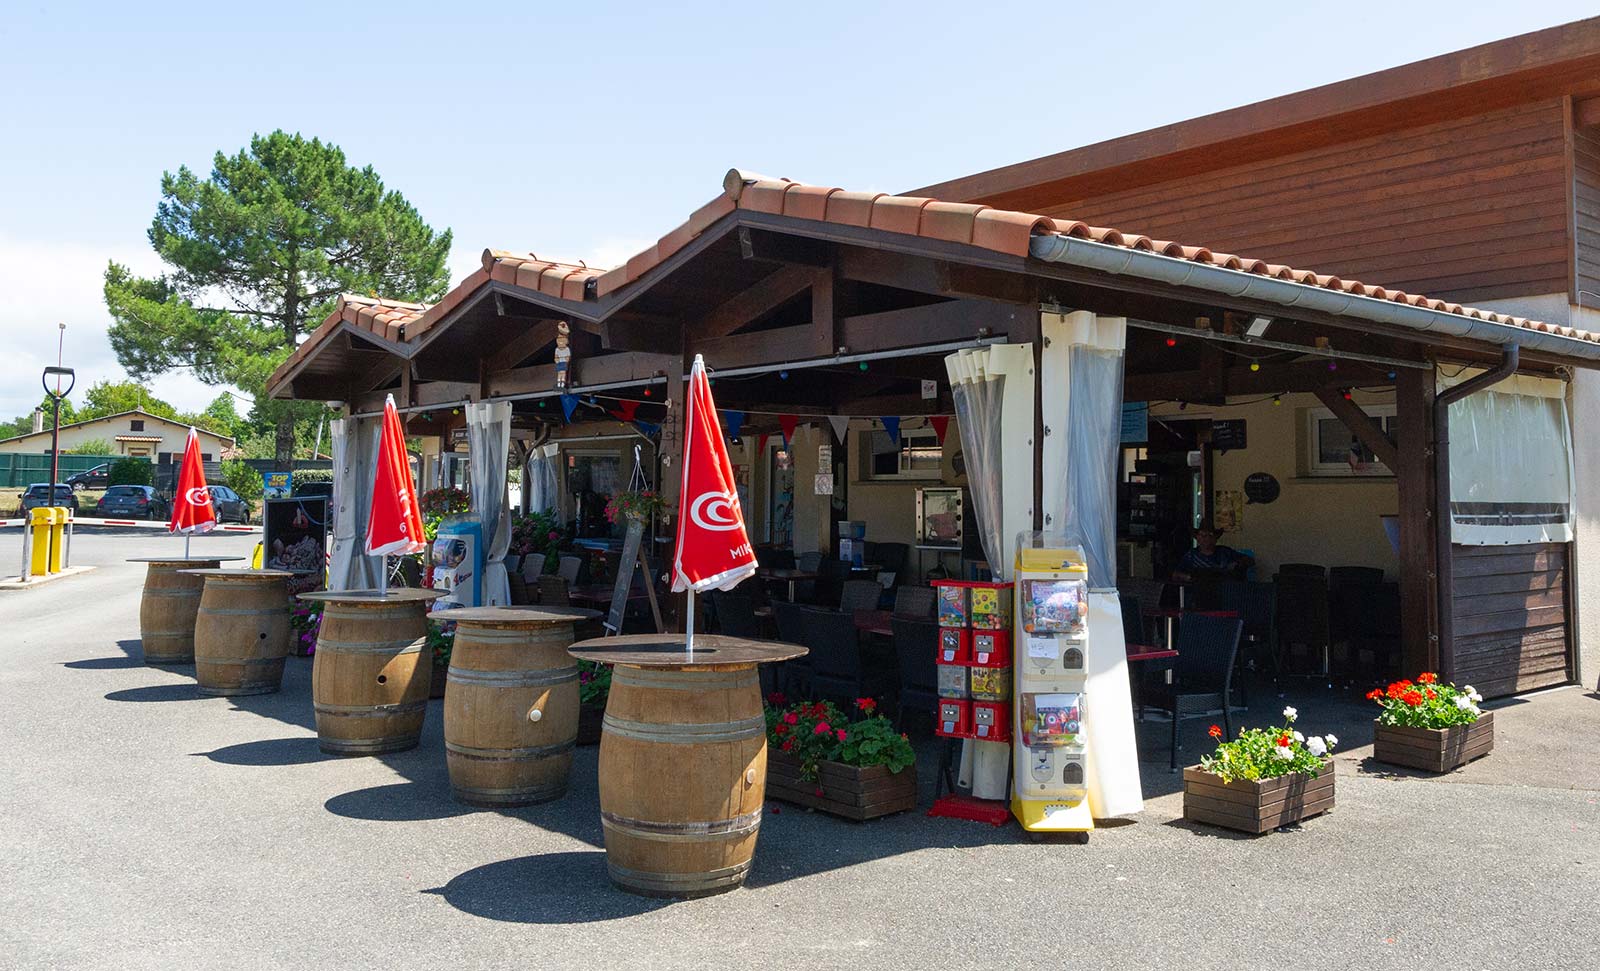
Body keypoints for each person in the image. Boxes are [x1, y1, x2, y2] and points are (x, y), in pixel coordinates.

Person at [1172, 523, 1253, 581]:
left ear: (1215, 539)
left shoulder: (1225, 552)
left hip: (1226, 593)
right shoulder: (1192, 556)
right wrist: (1189, 577)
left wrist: (1238, 564)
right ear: (1197, 538)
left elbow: (1250, 560)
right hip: (1200, 595)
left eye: (1210, 535)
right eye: (1202, 535)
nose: (1205, 539)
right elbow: (1176, 574)